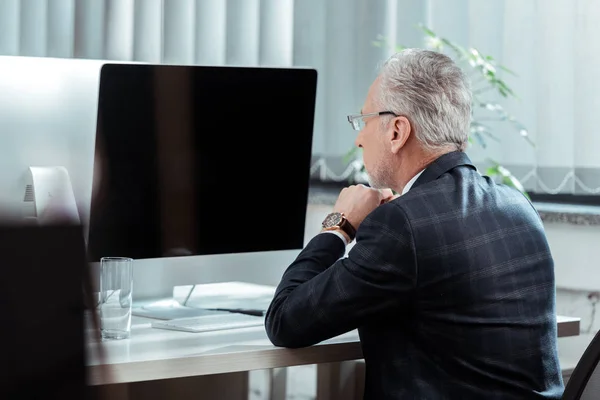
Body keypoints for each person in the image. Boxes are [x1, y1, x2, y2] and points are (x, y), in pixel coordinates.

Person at [265, 49, 563, 399]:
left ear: (397, 131)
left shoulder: (401, 225)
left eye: (365, 121)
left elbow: (285, 321)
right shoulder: (519, 207)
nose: (359, 138)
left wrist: (340, 224)